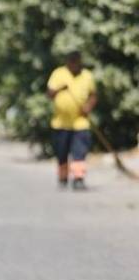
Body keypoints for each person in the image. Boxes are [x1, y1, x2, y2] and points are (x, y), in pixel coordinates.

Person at [47, 51, 97, 190]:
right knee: (62, 153)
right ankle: (63, 177)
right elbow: (49, 94)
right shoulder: (58, 74)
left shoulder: (87, 76)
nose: (74, 66)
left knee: (79, 152)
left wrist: (87, 107)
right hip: (60, 123)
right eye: (71, 63)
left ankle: (78, 178)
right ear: (67, 62)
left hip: (80, 122)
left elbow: (93, 96)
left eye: (76, 63)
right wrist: (59, 89)